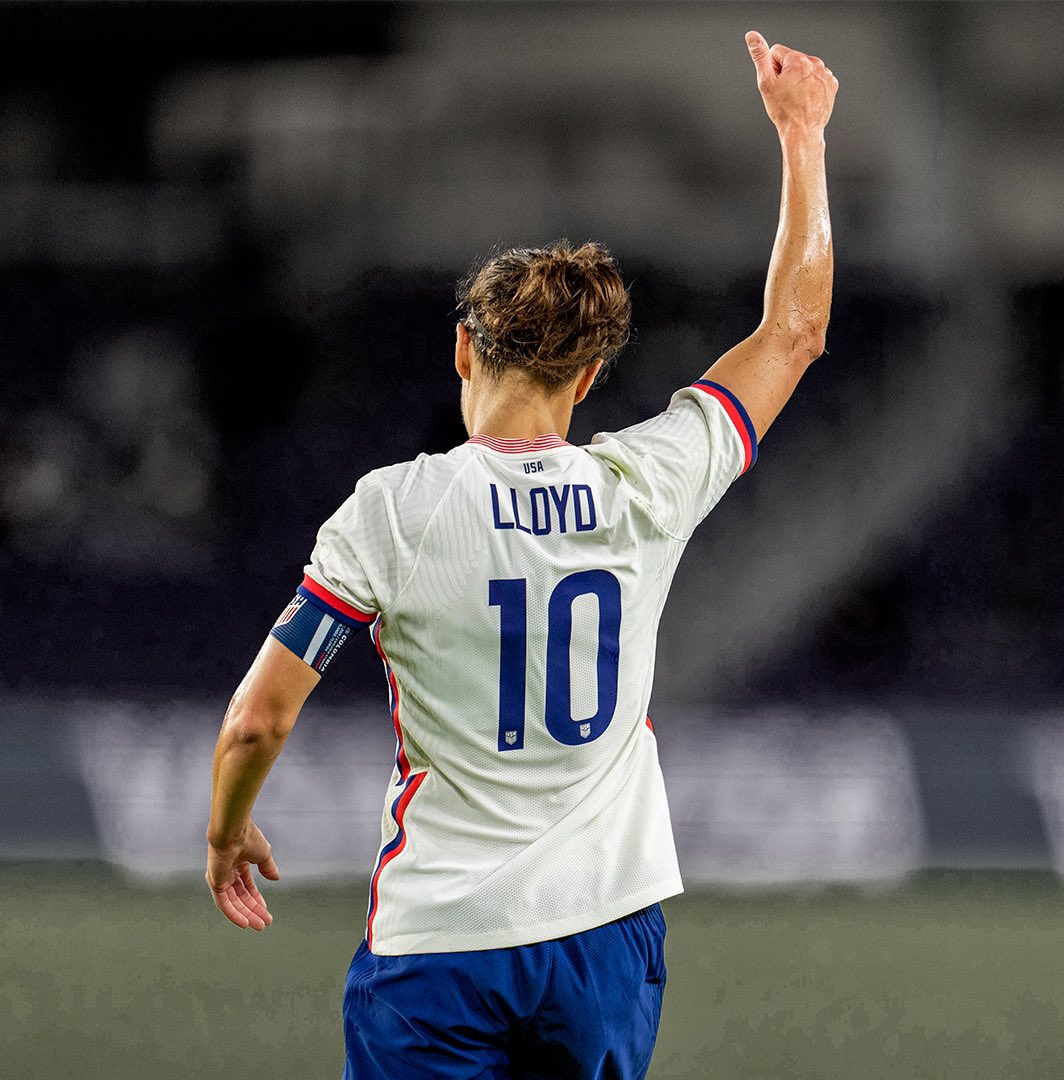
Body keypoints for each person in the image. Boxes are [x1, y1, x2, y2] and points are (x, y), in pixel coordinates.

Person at [206, 30, 837, 1079]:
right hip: (604, 935)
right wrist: (803, 134)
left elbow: (256, 719)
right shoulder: (650, 482)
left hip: (439, 943)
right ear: (587, 381)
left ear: (463, 349)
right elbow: (795, 331)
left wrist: (227, 830)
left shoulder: (393, 511)